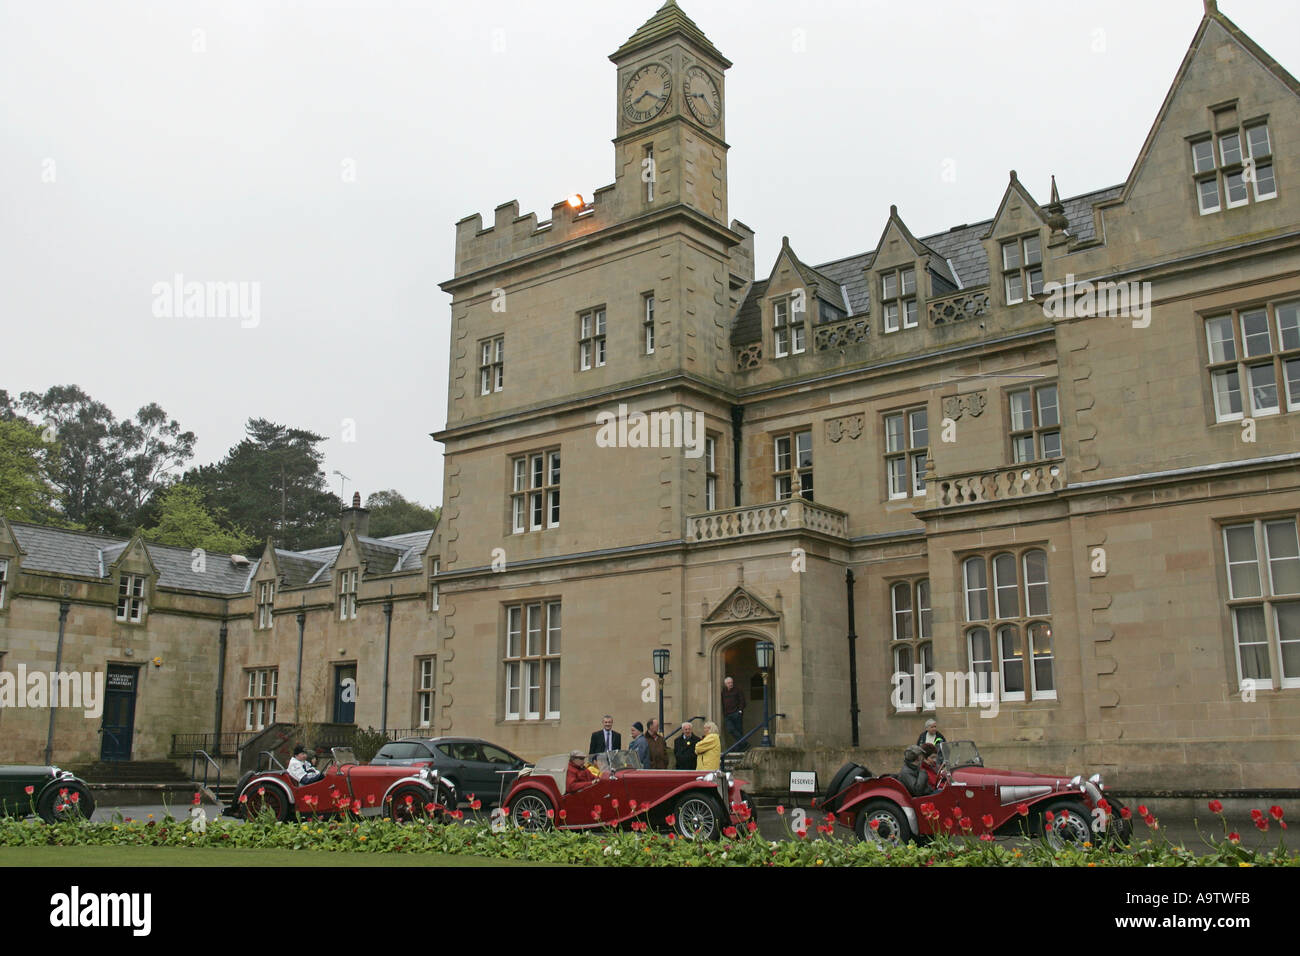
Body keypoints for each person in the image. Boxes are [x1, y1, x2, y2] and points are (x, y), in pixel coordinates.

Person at [721, 676, 745, 749]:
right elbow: (722, 702)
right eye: (728, 683)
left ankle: (740, 748)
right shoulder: (723, 692)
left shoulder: (737, 690)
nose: (730, 684)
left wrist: (740, 711)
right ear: (725, 684)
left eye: (731, 682)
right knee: (730, 729)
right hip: (727, 715)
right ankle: (744, 743)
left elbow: (742, 701)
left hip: (736, 713)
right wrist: (724, 712)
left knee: (739, 730)